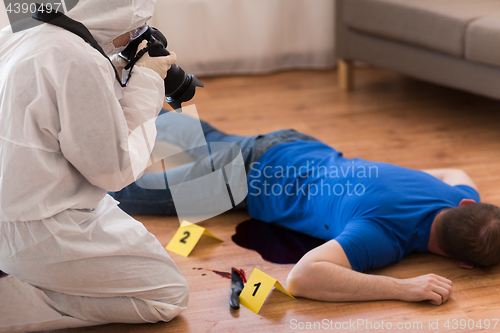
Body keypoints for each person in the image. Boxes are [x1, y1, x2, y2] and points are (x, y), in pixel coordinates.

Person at [110, 112, 500, 307]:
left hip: (292, 143)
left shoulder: (452, 193)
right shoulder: (382, 235)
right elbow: (302, 278)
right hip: (246, 178)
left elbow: (456, 171)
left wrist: (387, 181)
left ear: (467, 203)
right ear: (461, 263)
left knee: (195, 134)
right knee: (122, 192)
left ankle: (127, 105)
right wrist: (404, 288)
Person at [0, 1, 189, 332]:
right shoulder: (76, 59)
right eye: (137, 27)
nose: (137, 36)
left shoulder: (20, 30)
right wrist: (146, 81)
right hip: (38, 225)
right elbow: (115, 170)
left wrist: (112, 68)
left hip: (21, 201)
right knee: (168, 295)